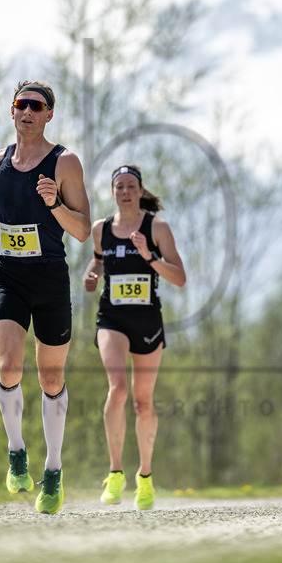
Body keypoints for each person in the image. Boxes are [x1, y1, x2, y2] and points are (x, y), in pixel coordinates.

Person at [0, 80, 91, 514]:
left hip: (51, 280)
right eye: (21, 104)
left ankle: (53, 471)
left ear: (49, 114)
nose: (27, 111)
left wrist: (55, 204)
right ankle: (17, 454)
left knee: (51, 380)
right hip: (10, 277)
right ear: (12, 110)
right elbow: (1, 204)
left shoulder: (65, 162)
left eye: (36, 106)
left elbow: (82, 231)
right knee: (7, 366)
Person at [82, 165, 186, 510]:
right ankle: (115, 473)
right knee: (118, 389)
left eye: (131, 186)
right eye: (119, 186)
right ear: (112, 192)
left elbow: (180, 277)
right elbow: (97, 262)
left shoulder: (156, 227)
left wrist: (149, 256)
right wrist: (91, 274)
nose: (125, 192)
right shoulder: (101, 229)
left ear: (141, 192)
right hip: (111, 316)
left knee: (143, 402)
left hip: (147, 320)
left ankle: (145, 476)